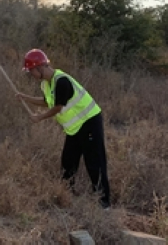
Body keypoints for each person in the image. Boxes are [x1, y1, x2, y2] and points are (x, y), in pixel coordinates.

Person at [17, 49, 111, 209]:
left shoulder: (62, 81)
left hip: (89, 122)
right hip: (74, 128)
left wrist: (39, 117)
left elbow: (58, 107)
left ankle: (104, 203)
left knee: (94, 162)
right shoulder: (46, 84)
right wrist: (26, 98)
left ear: (40, 67)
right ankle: (67, 195)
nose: (31, 74)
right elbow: (48, 102)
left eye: (31, 71)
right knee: (68, 163)